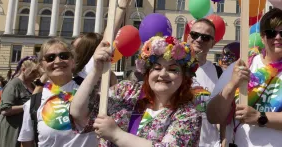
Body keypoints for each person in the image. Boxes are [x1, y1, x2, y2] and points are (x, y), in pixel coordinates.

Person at [206, 8, 282, 147]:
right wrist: (232, 84)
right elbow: (213, 116)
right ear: (262, 37)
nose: (278, 37)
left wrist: (260, 117)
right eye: (271, 33)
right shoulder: (240, 67)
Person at [70, 35, 202, 147]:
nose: (163, 74)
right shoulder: (127, 92)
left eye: (173, 69)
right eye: (156, 67)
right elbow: (78, 112)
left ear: (185, 77)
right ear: (147, 72)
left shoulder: (188, 114)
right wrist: (96, 70)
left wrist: (116, 135)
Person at [18, 38, 97, 147]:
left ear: (73, 61)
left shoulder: (91, 93)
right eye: (50, 58)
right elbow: (26, 143)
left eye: (64, 56)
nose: (58, 61)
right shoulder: (33, 103)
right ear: (42, 66)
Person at [187, 18, 224, 147]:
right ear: (188, 37)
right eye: (195, 35)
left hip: (210, 143)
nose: (199, 40)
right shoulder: (174, 68)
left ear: (212, 43)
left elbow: (223, 114)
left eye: (205, 37)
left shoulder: (219, 72)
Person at [0, 56, 40, 147]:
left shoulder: (34, 85)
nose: (36, 75)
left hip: (25, 128)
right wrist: (27, 106)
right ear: (23, 69)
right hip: (11, 129)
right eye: (33, 72)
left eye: (37, 72)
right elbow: (5, 110)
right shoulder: (13, 84)